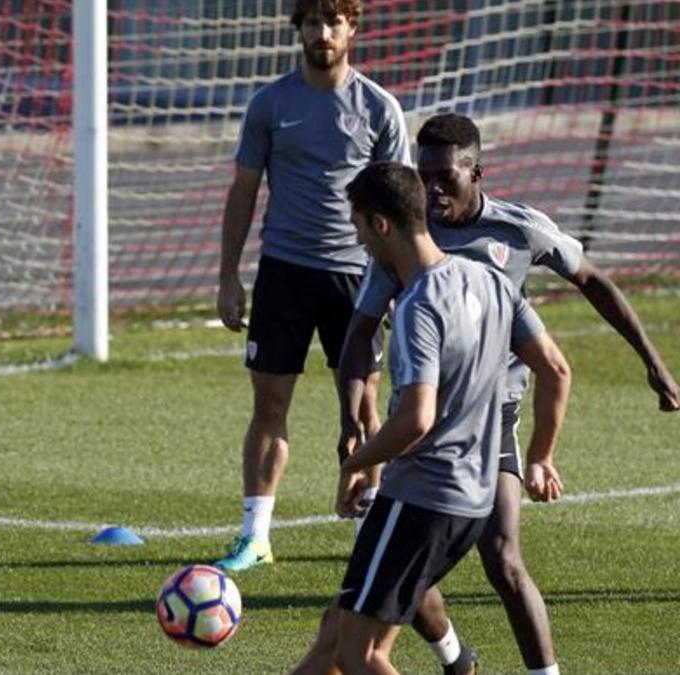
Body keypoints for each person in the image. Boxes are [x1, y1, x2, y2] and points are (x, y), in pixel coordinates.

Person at [335, 113, 680, 674]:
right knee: (401, 564)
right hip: (420, 428)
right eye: (424, 177)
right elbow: (361, 330)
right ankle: (455, 657)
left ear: (478, 172)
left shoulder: (517, 230)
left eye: (446, 175)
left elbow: (590, 283)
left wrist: (654, 363)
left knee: (500, 557)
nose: (433, 189)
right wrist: (352, 416)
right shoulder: (405, 235)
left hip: (491, 420)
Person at [289, 162, 571, 675]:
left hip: (420, 498)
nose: (359, 243)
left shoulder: (418, 305)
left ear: (381, 225)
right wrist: (539, 456)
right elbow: (556, 369)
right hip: (473, 500)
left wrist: (355, 463)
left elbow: (416, 419)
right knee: (338, 631)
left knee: (363, 654)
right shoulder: (490, 281)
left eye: (357, 228)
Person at [214, 0, 410, 572]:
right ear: (297, 29)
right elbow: (244, 190)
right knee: (269, 404)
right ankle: (256, 535)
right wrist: (229, 276)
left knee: (366, 405)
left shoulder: (379, 108)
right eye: (312, 22)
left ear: (353, 28)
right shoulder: (269, 104)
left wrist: (400, 282)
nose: (323, 33)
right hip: (283, 272)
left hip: (360, 276)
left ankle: (368, 522)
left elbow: (399, 207)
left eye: (334, 22)